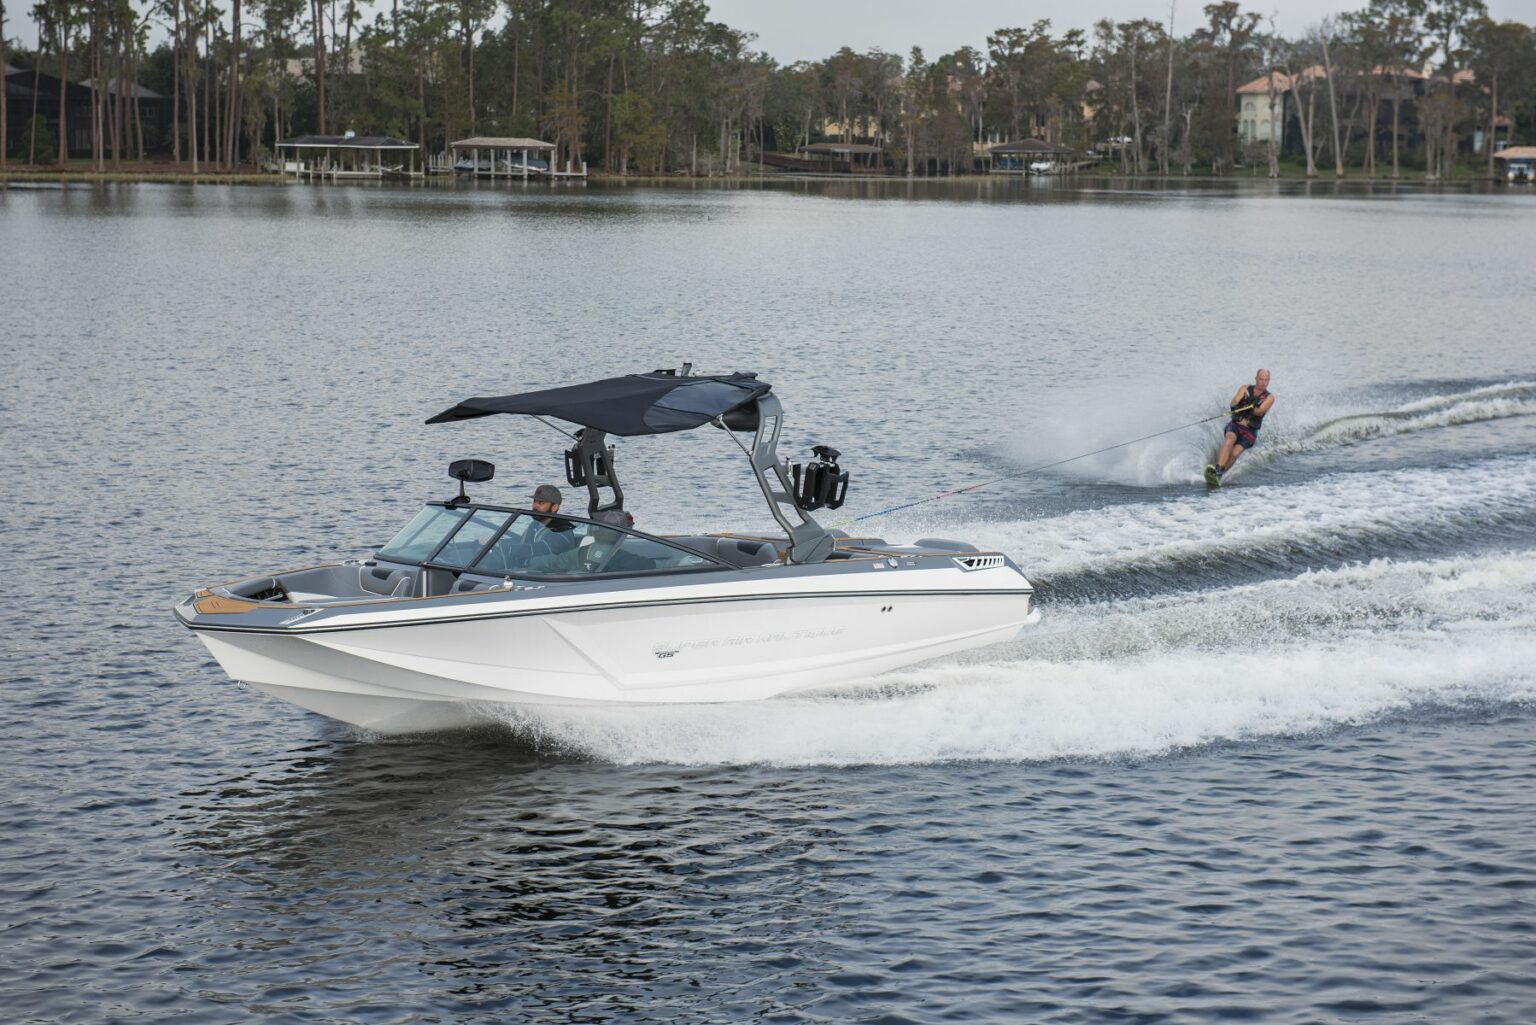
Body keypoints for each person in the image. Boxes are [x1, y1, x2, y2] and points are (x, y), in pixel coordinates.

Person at [1208, 369, 1275, 482]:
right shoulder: (1245, 388)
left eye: (1266, 380)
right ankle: (1218, 469)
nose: (1263, 382)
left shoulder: (1270, 397)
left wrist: (1250, 405)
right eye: (1261, 379)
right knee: (1229, 440)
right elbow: (1234, 402)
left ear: (1269, 381)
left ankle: (1219, 475)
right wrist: (1236, 405)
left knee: (1235, 452)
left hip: (1250, 431)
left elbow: (1260, 411)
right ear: (1256, 378)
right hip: (1236, 424)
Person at [526, 484, 579, 571]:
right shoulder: (534, 525)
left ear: (554, 507)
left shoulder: (562, 530)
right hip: (528, 571)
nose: (535, 506)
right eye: (534, 501)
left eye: (541, 503)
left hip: (549, 576)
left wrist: (510, 549)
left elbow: (541, 549)